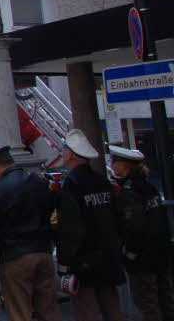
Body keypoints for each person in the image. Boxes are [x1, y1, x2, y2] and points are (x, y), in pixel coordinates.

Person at [0, 145, 59, 321]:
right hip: (43, 250)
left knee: (19, 310)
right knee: (48, 308)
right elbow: (50, 210)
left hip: (15, 256)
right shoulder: (38, 182)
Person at [55, 129, 124, 321]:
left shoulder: (72, 185)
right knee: (111, 304)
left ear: (70, 155)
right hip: (108, 254)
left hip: (84, 259)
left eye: (64, 150)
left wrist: (65, 263)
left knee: (86, 308)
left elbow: (71, 228)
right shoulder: (102, 181)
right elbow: (117, 216)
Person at [111, 145, 174, 321]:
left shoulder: (130, 193)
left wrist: (130, 254)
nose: (113, 165)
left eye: (116, 162)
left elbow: (134, 227)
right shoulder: (149, 188)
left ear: (126, 166)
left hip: (143, 260)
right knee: (166, 300)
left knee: (148, 303)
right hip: (161, 255)